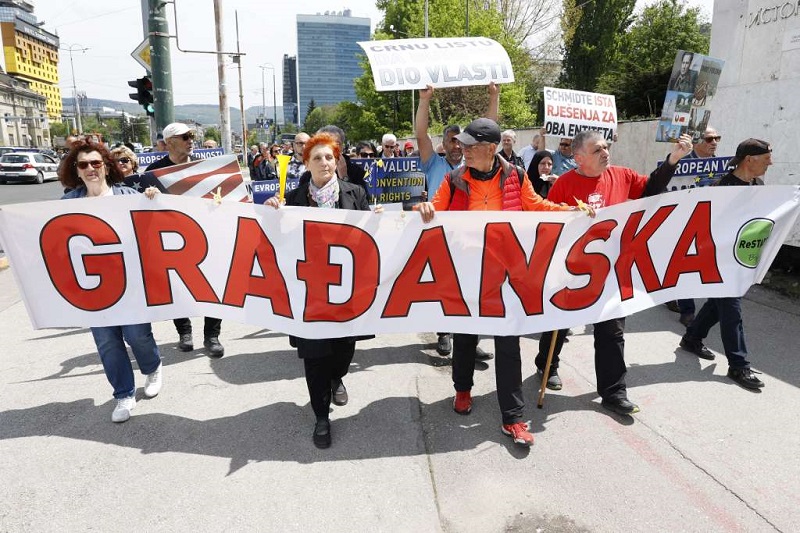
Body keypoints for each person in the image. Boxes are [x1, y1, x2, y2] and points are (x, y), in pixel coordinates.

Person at [414, 118, 594, 448]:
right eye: (462, 145)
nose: (463, 150)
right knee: (465, 336)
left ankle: (513, 417)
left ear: (491, 148)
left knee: (508, 342)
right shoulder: (454, 179)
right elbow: (434, 209)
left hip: (506, 274)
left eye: (470, 146)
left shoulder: (516, 175)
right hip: (468, 271)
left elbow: (536, 207)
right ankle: (462, 390)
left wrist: (571, 213)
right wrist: (424, 207)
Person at [534, 130, 693, 414]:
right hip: (573, 269)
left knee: (612, 331)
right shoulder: (564, 184)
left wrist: (673, 159)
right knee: (559, 323)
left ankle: (614, 392)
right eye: (597, 149)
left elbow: (651, 190)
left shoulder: (623, 175)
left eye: (606, 147)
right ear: (579, 158)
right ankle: (547, 365)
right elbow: (549, 224)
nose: (605, 152)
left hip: (612, 269)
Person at [265, 132, 381, 449]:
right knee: (315, 357)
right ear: (307, 163)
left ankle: (337, 376)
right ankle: (321, 417)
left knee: (343, 352)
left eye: (329, 157)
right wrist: (272, 212)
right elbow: (276, 238)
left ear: (337, 160)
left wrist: (377, 221)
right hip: (309, 295)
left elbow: (370, 239)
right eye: (317, 157)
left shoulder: (356, 193)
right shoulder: (292, 199)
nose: (324, 162)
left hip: (345, 292)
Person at [59, 139, 162, 423]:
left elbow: (151, 228)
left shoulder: (127, 194)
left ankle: (152, 367)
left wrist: (152, 199)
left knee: (137, 335)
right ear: (76, 170)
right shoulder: (67, 203)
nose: (90, 168)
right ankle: (124, 394)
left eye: (96, 163)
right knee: (106, 341)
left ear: (106, 166)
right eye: (83, 164)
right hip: (92, 286)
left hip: (130, 282)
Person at [679, 138, 772, 391]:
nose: (770, 163)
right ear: (750, 159)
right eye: (766, 159)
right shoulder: (722, 188)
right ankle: (738, 365)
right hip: (720, 260)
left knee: (718, 304)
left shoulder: (758, 185)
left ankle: (692, 338)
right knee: (732, 310)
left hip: (741, 258)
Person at [415, 83, 499, 357]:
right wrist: (424, 101)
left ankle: (470, 342)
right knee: (445, 287)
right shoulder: (434, 163)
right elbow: (421, 134)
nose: (456, 145)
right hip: (440, 235)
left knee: (471, 290)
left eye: (459, 141)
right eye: (451, 140)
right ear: (443, 143)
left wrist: (494, 96)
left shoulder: (472, 166)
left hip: (470, 238)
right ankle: (444, 333)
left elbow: (490, 129)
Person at [146, 122, 225, 358]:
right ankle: (184, 333)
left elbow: (220, 196)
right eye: (185, 137)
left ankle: (212, 336)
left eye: (191, 136)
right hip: (171, 239)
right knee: (176, 287)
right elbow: (141, 207)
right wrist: (149, 195)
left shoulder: (204, 167)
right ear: (169, 142)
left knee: (214, 286)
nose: (191, 140)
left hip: (204, 235)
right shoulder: (154, 171)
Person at [668, 126, 723, 325]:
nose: (714, 142)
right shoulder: (681, 161)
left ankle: (671, 293)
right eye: (709, 139)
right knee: (685, 263)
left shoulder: (721, 165)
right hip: (683, 220)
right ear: (697, 141)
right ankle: (687, 310)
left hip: (710, 220)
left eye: (717, 138)